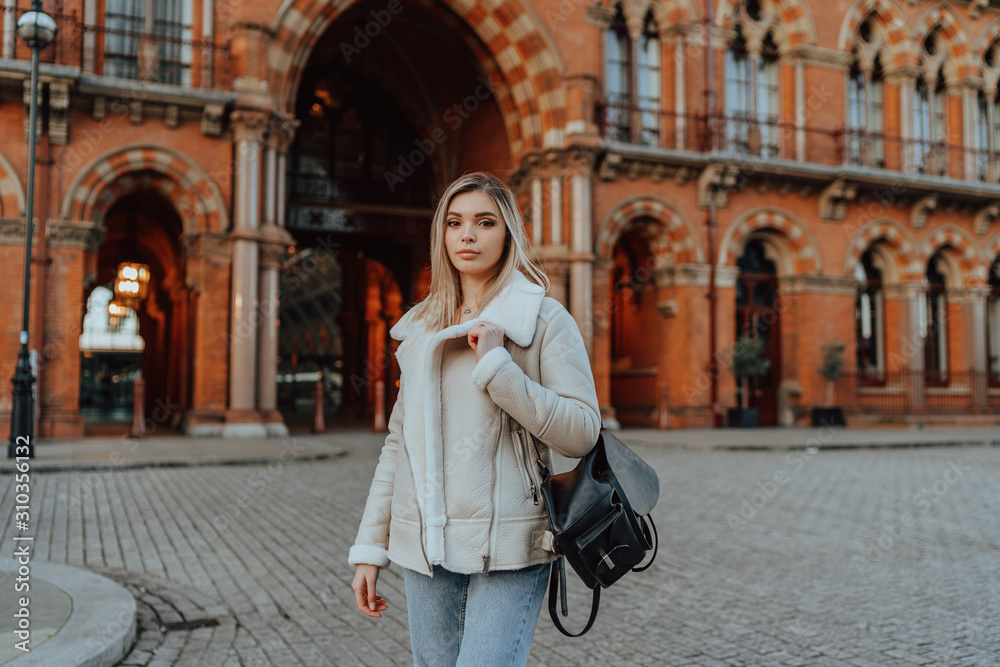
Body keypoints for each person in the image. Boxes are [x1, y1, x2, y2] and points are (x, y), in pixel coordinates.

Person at [349, 172, 601, 666]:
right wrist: (368, 547)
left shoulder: (544, 321)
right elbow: (399, 445)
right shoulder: (421, 328)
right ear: (441, 236)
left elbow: (581, 431)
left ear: (507, 233)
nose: (467, 235)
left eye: (484, 222)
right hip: (426, 546)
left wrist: (498, 368)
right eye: (454, 223)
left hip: (509, 545)